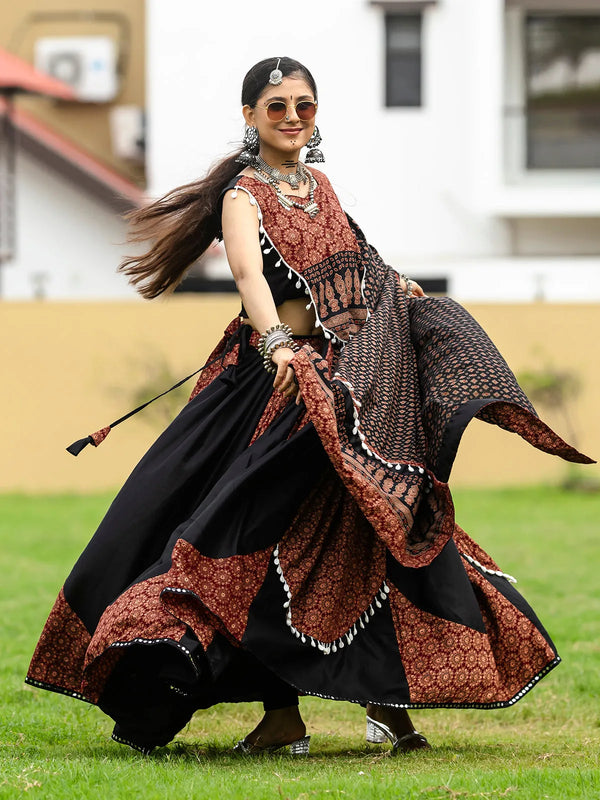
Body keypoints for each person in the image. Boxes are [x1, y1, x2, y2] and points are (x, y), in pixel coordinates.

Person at [26, 57, 592, 756]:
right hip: (274, 389)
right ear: (249, 117)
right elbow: (244, 275)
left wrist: (404, 290)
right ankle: (282, 716)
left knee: (380, 528)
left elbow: (356, 256)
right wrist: (277, 347)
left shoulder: (317, 185)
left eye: (304, 107)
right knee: (255, 549)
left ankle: (389, 709)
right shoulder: (243, 195)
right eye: (277, 108)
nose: (293, 119)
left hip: (349, 386)